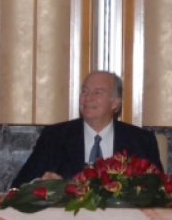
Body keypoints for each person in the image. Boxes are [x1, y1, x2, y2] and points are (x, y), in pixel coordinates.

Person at [12, 70, 163, 185]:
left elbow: (159, 192)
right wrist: (45, 186)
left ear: (116, 103)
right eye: (85, 91)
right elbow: (19, 186)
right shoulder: (55, 137)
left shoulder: (141, 141)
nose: (88, 98)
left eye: (98, 92)